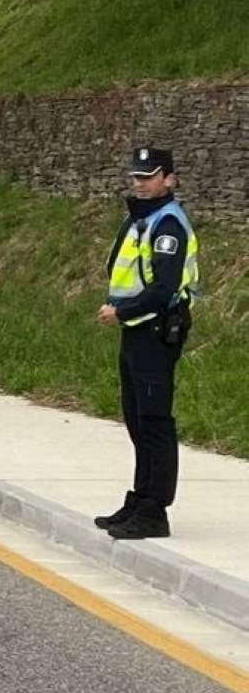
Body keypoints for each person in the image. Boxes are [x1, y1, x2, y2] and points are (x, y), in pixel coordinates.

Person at [94, 146, 199, 540]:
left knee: (155, 421)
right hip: (137, 330)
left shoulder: (167, 225)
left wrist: (121, 311)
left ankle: (156, 511)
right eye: (136, 176)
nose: (139, 183)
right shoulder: (144, 218)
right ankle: (140, 498)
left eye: (148, 176)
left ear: (169, 179)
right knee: (137, 418)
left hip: (156, 330)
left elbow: (164, 288)